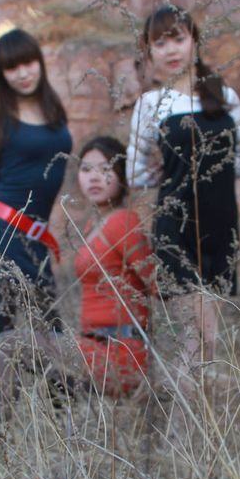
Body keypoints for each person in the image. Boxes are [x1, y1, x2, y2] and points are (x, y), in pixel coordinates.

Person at [126, 5, 240, 383]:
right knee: (201, 336)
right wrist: (163, 170)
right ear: (149, 54)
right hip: (175, 230)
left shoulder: (224, 94)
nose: (170, 50)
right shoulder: (150, 104)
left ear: (194, 41)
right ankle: (180, 436)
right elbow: (135, 172)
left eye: (178, 39)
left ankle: (180, 429)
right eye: (159, 43)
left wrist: (228, 205)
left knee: (205, 345)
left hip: (220, 231)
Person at [0, 29, 72, 398]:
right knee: (3, 337)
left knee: (53, 337)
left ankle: (67, 429)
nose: (23, 73)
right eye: (12, 67)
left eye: (28, 62)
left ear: (39, 62)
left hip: (36, 242)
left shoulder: (53, 109)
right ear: (2, 74)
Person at [73, 135, 154, 395]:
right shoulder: (91, 226)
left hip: (119, 352)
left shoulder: (123, 222)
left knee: (9, 345)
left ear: (121, 175)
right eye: (86, 170)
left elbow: (158, 284)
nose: (94, 177)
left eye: (105, 169)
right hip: (92, 346)